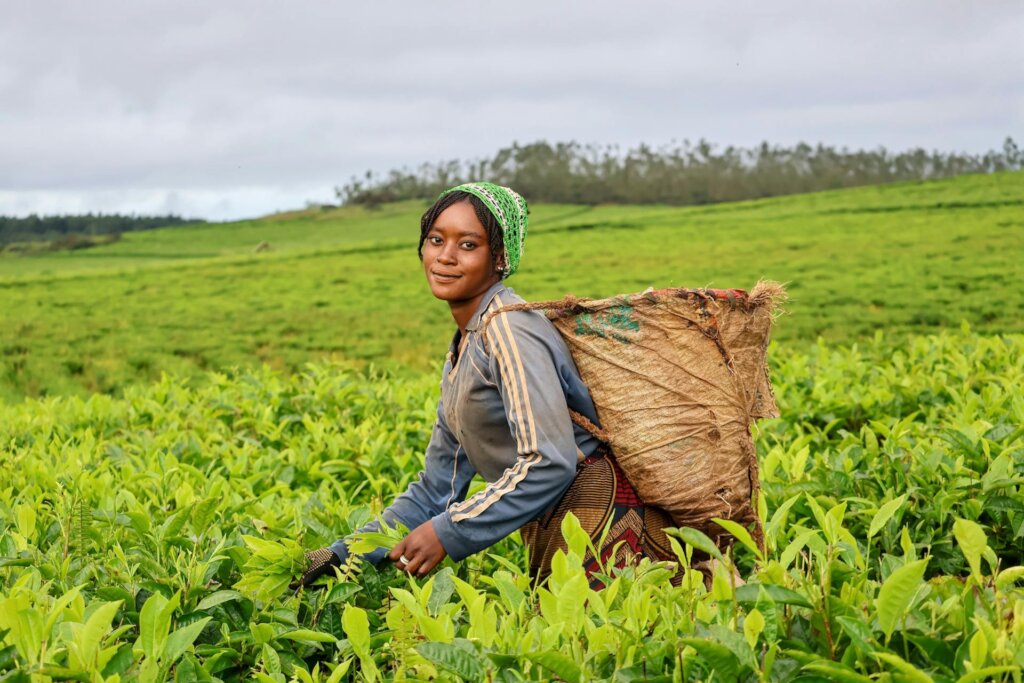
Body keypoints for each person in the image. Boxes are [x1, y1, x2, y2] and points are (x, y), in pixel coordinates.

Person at [298, 182, 680, 588]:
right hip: (558, 520)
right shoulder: (465, 349)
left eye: (468, 245)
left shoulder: (509, 328)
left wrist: (449, 532)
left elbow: (549, 461)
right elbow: (434, 491)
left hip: (602, 518)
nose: (445, 256)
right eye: (436, 240)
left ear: (499, 258)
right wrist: (342, 554)